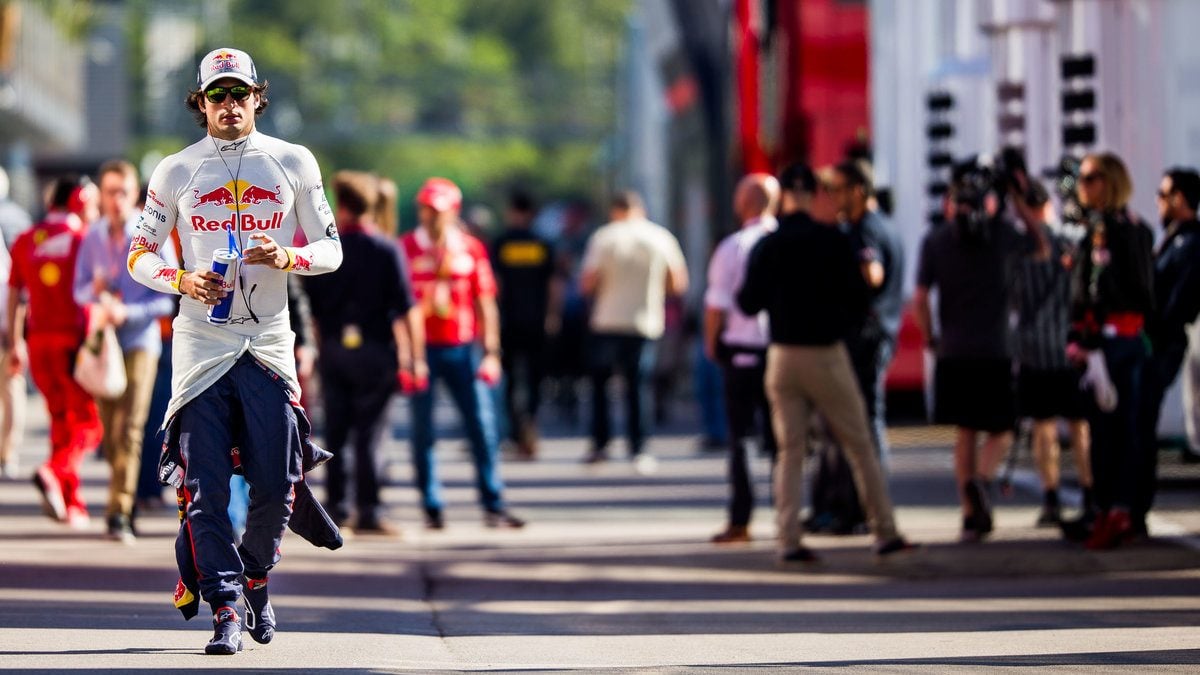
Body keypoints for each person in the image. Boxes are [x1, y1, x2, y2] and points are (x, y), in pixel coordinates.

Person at [127, 47, 344, 655]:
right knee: (206, 488)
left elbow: (331, 248)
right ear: (200, 103)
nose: (229, 105)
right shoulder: (175, 170)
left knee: (277, 484)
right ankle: (225, 605)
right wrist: (182, 280)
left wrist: (289, 257)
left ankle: (254, 577)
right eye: (216, 95)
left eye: (239, 94)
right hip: (201, 344)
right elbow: (139, 254)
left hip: (269, 341)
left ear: (258, 97)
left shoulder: (294, 161)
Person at [737, 165, 914, 564]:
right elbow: (858, 298)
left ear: (783, 195)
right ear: (816, 194)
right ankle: (883, 531)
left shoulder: (769, 245)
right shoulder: (832, 240)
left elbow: (747, 302)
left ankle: (788, 538)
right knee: (859, 442)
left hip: (782, 356)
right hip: (826, 352)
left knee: (790, 450)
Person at [913, 156, 1031, 543]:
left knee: (965, 431)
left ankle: (969, 511)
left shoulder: (937, 239)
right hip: (996, 348)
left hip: (954, 348)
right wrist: (1018, 200)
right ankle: (981, 480)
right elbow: (1042, 245)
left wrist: (930, 336)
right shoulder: (1003, 235)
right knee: (1004, 428)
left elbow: (919, 296)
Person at [399, 176, 524, 531]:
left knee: (482, 426)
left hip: (462, 347)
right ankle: (432, 504)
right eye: (425, 209)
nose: (430, 217)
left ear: (453, 211)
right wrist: (407, 355)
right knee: (423, 430)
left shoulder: (470, 249)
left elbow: (486, 302)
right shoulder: (406, 247)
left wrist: (491, 353)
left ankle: (493, 500)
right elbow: (397, 306)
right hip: (423, 351)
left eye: (437, 210)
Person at [303, 170, 421, 535]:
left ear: (341, 206)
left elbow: (313, 311)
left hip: (335, 348)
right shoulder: (386, 249)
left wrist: (321, 350)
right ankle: (369, 510)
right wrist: (415, 358)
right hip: (375, 350)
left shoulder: (328, 252)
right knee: (371, 433)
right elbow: (407, 308)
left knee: (336, 432)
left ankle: (336, 507)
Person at [73, 159, 177, 543]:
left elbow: (169, 294)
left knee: (131, 425)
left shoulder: (152, 235)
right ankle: (122, 503)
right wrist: (97, 297)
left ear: (136, 195)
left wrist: (127, 311)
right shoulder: (94, 236)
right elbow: (78, 287)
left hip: (141, 341)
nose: (116, 200)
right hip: (104, 343)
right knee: (110, 430)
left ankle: (120, 510)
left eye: (124, 192)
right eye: (110, 191)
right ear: (100, 195)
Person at [1061, 152, 1154, 550]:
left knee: (1122, 431)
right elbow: (1080, 294)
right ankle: (1105, 508)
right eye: (1082, 179)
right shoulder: (1093, 232)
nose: (1084, 186)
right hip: (1097, 344)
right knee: (1102, 431)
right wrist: (1077, 335)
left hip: (1119, 342)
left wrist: (1096, 330)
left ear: (1111, 181)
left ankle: (1121, 510)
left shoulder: (1125, 231)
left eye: (1092, 178)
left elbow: (1139, 294)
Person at [807, 159, 905, 535]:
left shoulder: (864, 230)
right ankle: (865, 504)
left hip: (864, 338)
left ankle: (863, 505)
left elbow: (872, 273)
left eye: (839, 189)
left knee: (859, 423)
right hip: (878, 333)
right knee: (863, 421)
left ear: (859, 191)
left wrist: (846, 290)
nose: (833, 198)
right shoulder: (883, 227)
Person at [6, 175, 102, 528]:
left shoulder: (26, 239)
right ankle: (53, 471)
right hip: (73, 344)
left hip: (38, 343)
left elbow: (15, 294)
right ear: (78, 200)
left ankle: (70, 501)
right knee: (89, 425)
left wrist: (16, 342)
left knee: (62, 422)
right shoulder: (83, 240)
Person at [580, 190, 688, 473]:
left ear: (615, 210)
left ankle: (600, 444)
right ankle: (639, 448)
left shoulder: (604, 237)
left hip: (606, 319)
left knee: (601, 386)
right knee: (637, 387)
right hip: (645, 320)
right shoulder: (660, 237)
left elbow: (588, 282)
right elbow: (677, 283)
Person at [1008, 178, 1093, 528]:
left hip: (1033, 350)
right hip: (1070, 346)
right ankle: (1090, 492)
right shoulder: (1069, 240)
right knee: (1080, 425)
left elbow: (1012, 299)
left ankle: (1051, 496)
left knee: (1043, 427)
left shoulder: (1019, 250)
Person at [704, 172, 780, 544]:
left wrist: (711, 343)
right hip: (784, 352)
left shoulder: (733, 247)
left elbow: (716, 304)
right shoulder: (786, 244)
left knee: (743, 438)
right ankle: (789, 517)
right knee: (787, 440)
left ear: (746, 201)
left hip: (741, 353)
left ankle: (741, 520)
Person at [1133, 168, 1200, 538]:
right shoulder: (1173, 239)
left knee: (1142, 421)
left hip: (1166, 344)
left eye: (1162, 193)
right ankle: (1132, 506)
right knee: (1137, 422)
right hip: (1160, 342)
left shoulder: (1191, 243)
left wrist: (1151, 329)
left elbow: (1179, 302)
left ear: (1179, 198)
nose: (1158, 200)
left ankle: (1136, 508)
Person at [491, 189, 559, 459]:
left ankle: (513, 433)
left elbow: (496, 284)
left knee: (507, 380)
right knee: (533, 379)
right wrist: (553, 315)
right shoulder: (543, 244)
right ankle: (530, 424)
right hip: (536, 321)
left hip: (508, 321)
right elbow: (554, 284)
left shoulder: (502, 243)